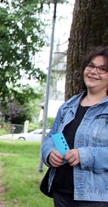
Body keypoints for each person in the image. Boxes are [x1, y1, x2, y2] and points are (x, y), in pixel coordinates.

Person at [40, 46, 108, 206]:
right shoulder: (69, 106)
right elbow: (51, 137)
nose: (93, 71)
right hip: (62, 192)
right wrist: (49, 154)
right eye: (91, 66)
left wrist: (84, 155)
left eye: (103, 69)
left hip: (96, 198)